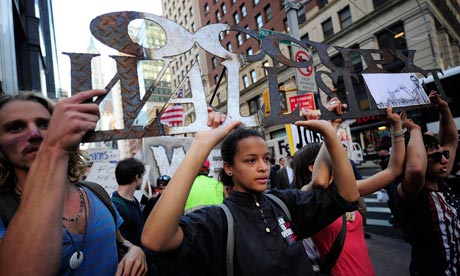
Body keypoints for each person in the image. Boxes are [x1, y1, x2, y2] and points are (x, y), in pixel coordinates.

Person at [141, 114, 360, 275]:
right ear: (229, 168)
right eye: (250, 160)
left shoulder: (284, 203)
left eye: (266, 158)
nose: (263, 167)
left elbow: (347, 196)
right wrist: (200, 146)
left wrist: (330, 133)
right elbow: (155, 239)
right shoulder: (218, 220)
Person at [0, 91, 147, 275]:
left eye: (45, 124)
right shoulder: (4, 210)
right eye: (16, 128)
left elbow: (121, 241)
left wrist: (134, 250)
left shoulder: (95, 193)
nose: (34, 134)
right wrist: (54, 149)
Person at [298, 106, 405, 276]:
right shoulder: (308, 196)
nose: (341, 155)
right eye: (335, 151)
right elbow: (320, 180)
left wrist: (397, 127)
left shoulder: (348, 190)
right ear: (312, 167)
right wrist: (330, 127)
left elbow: (394, 170)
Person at [395, 90, 459, 276]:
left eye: (444, 156)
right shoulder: (411, 191)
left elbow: (450, 142)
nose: (445, 161)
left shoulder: (442, 181)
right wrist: (414, 130)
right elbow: (415, 169)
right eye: (436, 157)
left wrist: (444, 109)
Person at [112, 157, 145, 247]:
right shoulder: (118, 207)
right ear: (137, 177)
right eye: (142, 177)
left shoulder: (133, 199)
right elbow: (121, 243)